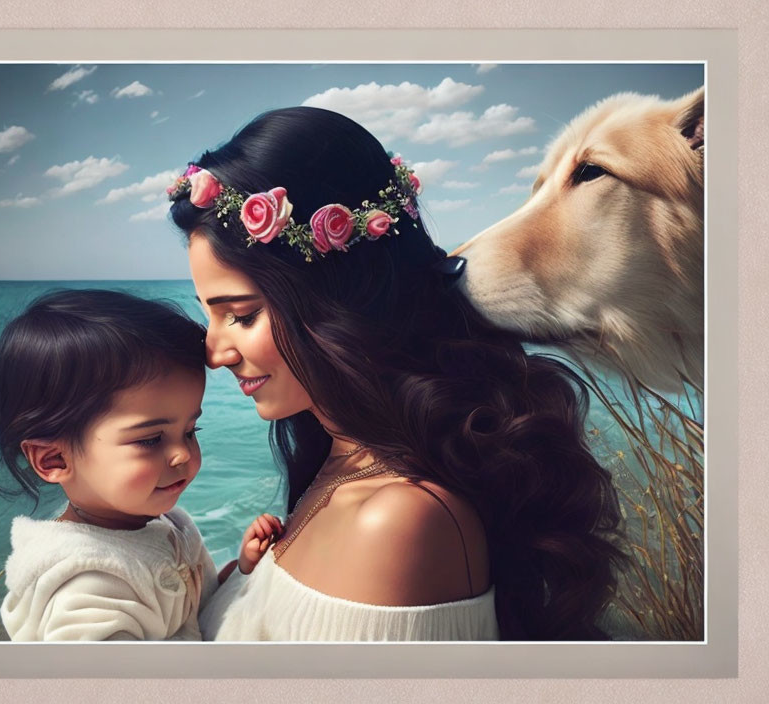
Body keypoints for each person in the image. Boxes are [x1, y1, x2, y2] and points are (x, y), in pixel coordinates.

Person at [169, 106, 626, 641]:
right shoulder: (338, 460)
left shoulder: (398, 523)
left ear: (338, 299)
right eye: (209, 313)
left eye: (242, 315)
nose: (214, 351)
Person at [0, 289, 271, 641]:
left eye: (191, 430)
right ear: (54, 459)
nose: (182, 454)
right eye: (150, 439)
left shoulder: (159, 522)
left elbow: (194, 611)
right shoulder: (85, 588)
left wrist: (238, 573)